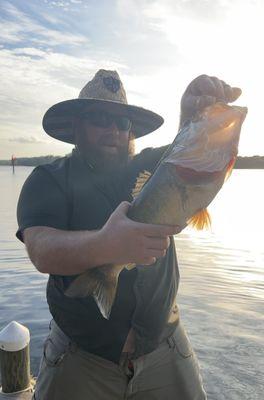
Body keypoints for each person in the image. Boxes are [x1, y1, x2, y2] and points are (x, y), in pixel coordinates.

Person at [16, 70, 241, 400]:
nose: (113, 130)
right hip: (81, 356)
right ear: (76, 126)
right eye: (100, 118)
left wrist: (190, 114)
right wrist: (105, 245)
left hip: (164, 346)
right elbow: (41, 249)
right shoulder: (48, 179)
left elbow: (190, 151)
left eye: (122, 123)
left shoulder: (152, 165)